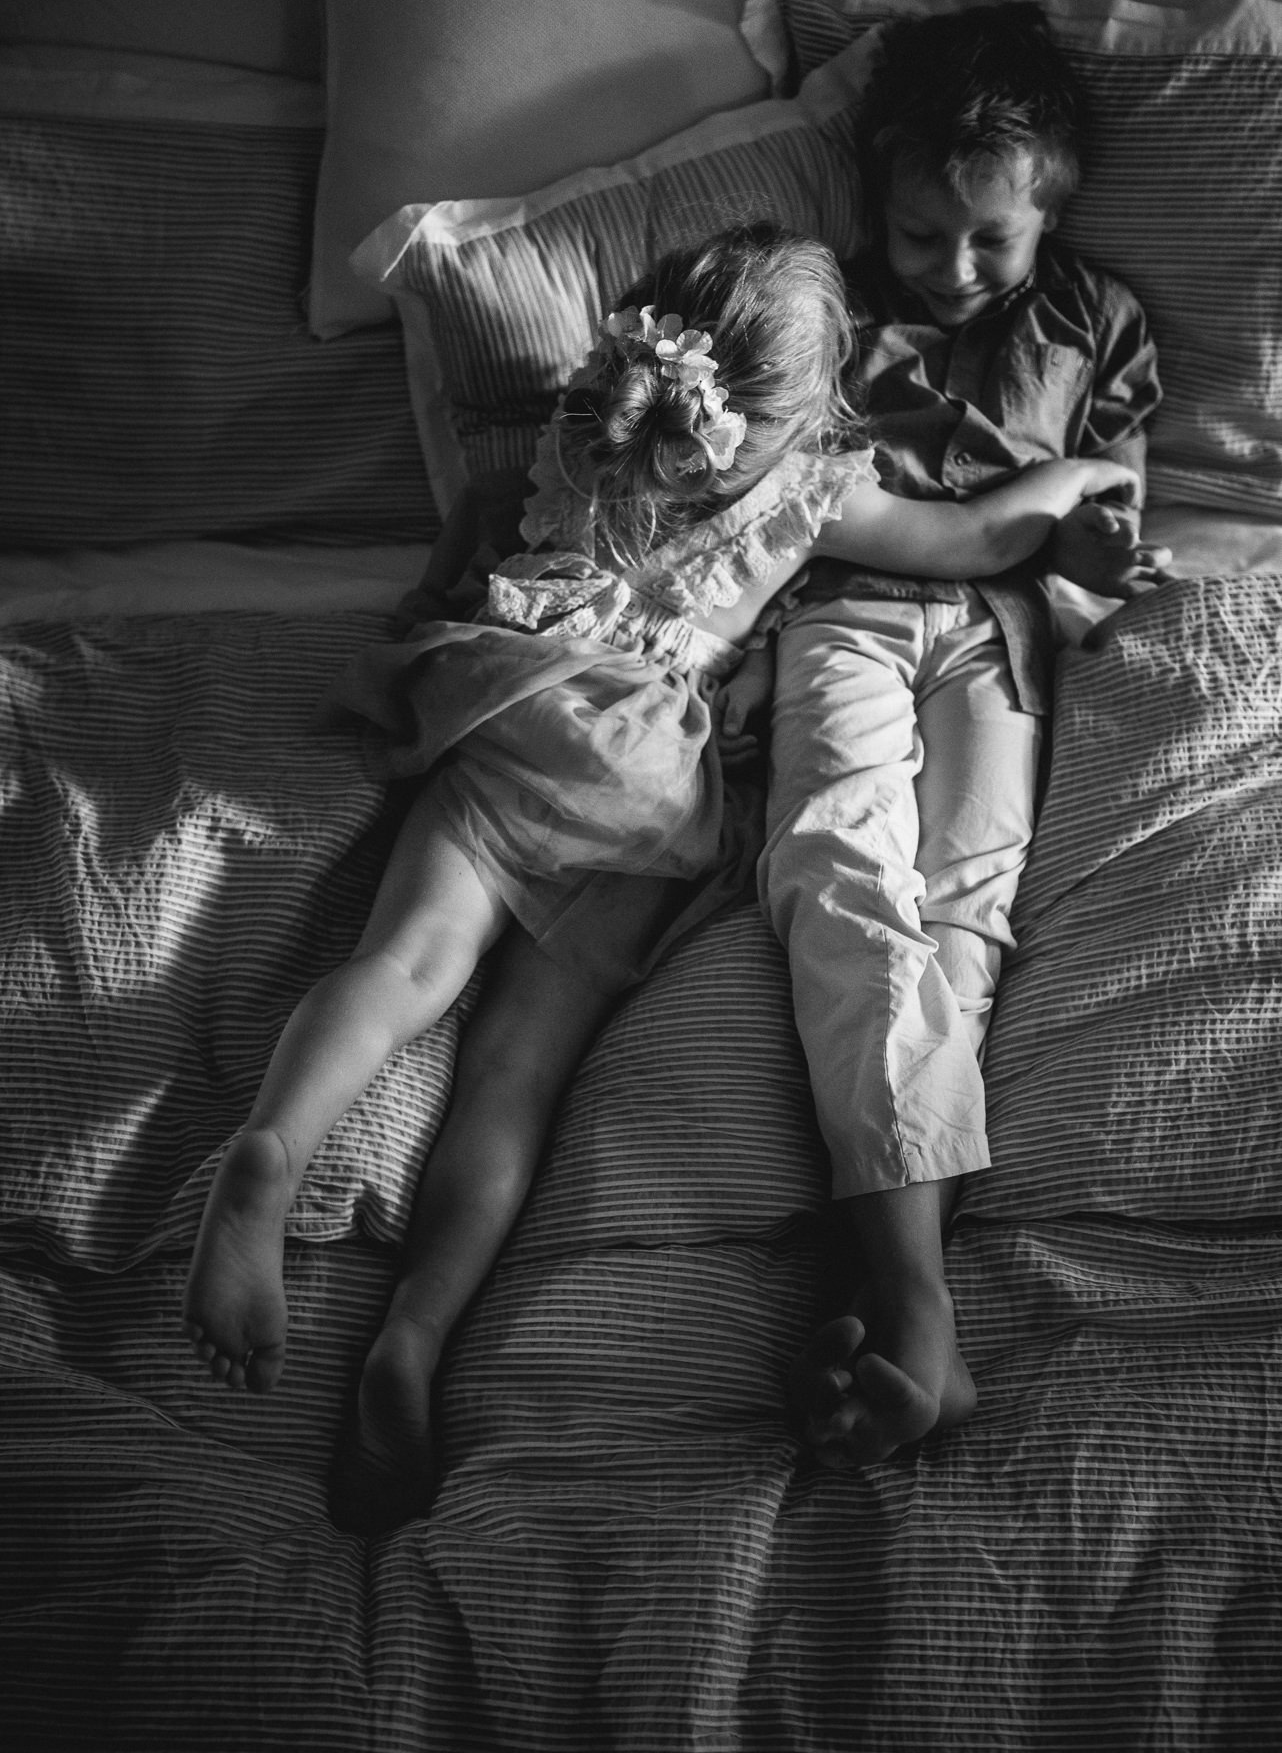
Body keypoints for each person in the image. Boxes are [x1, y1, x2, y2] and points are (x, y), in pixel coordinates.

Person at [181, 222, 1145, 1531]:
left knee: (402, 967)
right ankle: (412, 1335)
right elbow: (976, 540)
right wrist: (1081, 469)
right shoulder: (810, 485)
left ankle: (271, 1152)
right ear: (813, 398)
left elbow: (470, 538)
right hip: (640, 784)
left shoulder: (573, 429)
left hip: (518, 706)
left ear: (640, 334)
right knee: (514, 1078)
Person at [757, 2, 1168, 1472]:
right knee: (834, 870)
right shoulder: (823, 313)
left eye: (990, 238)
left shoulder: (1094, 323)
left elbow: (1097, 533)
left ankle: (890, 1279)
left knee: (966, 906)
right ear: (879, 197)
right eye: (923, 234)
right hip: (849, 617)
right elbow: (814, 504)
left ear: (1048, 207)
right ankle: (917, 1308)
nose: (952, 269)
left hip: (1005, 643)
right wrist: (1023, 510)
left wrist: (1092, 552)